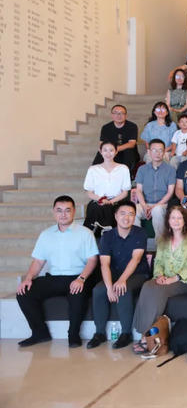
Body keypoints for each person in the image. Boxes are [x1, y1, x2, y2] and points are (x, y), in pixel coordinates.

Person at [16, 196, 99, 348]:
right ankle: (40, 333)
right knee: (24, 292)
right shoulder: (46, 235)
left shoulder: (85, 233)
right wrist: (28, 278)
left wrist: (81, 278)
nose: (63, 214)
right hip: (55, 278)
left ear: (74, 211)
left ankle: (73, 335)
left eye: (67, 210)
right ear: (54, 212)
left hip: (78, 277)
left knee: (77, 293)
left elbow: (92, 260)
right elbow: (38, 261)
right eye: (59, 211)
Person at [132, 206, 187, 354]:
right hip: (164, 279)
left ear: (185, 220)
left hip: (184, 281)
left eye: (179, 218)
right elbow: (158, 262)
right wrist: (160, 276)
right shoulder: (163, 239)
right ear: (168, 221)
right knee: (147, 286)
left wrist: (173, 279)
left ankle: (145, 338)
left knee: (157, 292)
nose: (176, 221)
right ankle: (146, 333)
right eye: (173, 218)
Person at [87, 201, 149, 350]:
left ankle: (126, 333)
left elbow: (136, 259)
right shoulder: (107, 236)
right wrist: (109, 288)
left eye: (130, 214)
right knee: (99, 290)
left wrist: (121, 280)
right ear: (115, 216)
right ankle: (99, 333)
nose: (126, 217)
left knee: (123, 289)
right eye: (123, 214)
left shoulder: (140, 233)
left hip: (138, 274)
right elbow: (104, 264)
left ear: (134, 217)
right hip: (113, 274)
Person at [83, 142, 131, 235]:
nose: (108, 153)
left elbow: (125, 192)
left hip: (117, 201)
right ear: (100, 152)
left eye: (111, 150)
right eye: (105, 150)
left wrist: (112, 201)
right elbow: (89, 193)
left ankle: (108, 234)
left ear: (116, 152)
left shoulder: (123, 168)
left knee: (112, 209)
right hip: (98, 201)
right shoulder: (93, 169)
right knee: (95, 208)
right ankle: (95, 235)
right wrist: (102, 199)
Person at [134, 139, 176, 239]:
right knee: (133, 210)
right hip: (145, 204)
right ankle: (137, 242)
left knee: (157, 210)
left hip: (163, 204)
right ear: (149, 152)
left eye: (160, 150)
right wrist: (144, 206)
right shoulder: (142, 169)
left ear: (164, 152)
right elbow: (138, 190)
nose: (157, 153)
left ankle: (160, 243)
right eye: (154, 150)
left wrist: (156, 205)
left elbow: (170, 192)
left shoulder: (170, 170)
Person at [94, 104, 139, 172]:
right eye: (116, 113)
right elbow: (102, 144)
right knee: (100, 153)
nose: (119, 115)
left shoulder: (132, 126)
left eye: (122, 113)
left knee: (128, 151)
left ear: (126, 115)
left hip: (126, 154)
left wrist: (115, 149)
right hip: (111, 152)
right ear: (112, 115)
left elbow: (131, 144)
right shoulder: (106, 127)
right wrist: (110, 151)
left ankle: (128, 174)